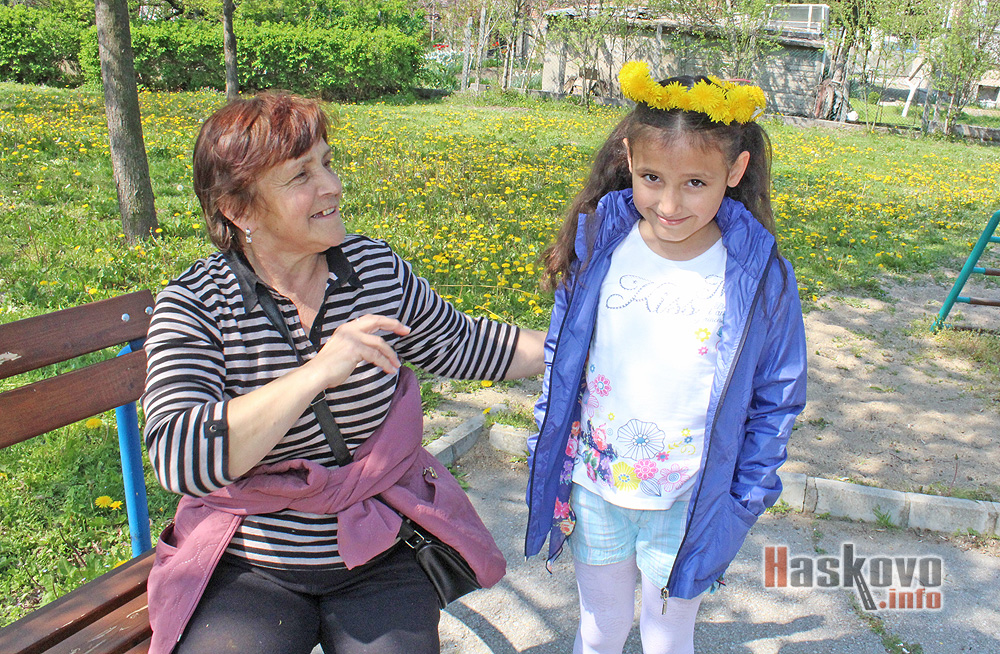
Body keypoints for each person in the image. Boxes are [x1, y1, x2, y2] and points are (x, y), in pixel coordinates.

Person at [141, 91, 545, 654]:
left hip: (374, 542)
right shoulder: (198, 304)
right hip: (250, 559)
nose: (331, 185)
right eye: (301, 176)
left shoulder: (373, 270)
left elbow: (463, 344)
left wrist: (579, 347)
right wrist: (316, 373)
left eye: (327, 163)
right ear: (239, 210)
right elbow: (178, 455)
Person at [524, 61, 808, 654]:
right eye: (652, 177)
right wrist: (544, 441)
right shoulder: (598, 248)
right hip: (596, 487)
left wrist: (744, 499)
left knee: (667, 635)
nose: (670, 203)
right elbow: (561, 357)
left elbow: (777, 397)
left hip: (690, 500)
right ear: (629, 158)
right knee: (600, 627)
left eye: (695, 183)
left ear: (735, 170)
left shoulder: (759, 275)